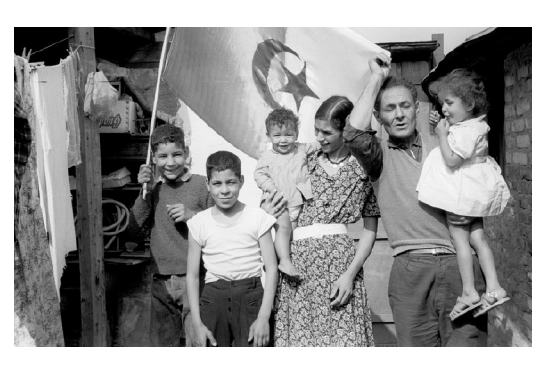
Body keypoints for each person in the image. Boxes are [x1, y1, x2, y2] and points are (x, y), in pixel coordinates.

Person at [343, 52, 488, 346]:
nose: (398, 114)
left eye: (405, 106)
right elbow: (353, 134)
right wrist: (376, 78)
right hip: (410, 269)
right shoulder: (378, 156)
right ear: (379, 117)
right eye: (390, 108)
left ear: (415, 109)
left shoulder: (446, 141)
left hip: (460, 267)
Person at [274, 96, 380, 347]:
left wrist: (350, 275)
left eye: (327, 132)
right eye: (316, 131)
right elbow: (282, 209)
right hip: (299, 265)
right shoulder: (304, 160)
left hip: (340, 265)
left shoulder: (362, 167)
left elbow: (369, 230)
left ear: (346, 131)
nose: (320, 137)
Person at [416, 69, 510, 320]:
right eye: (442, 103)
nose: (444, 108)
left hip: (462, 195)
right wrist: (443, 128)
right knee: (478, 238)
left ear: (468, 104)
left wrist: (441, 135)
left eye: (449, 103)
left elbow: (452, 160)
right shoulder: (473, 124)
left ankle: (469, 291)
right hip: (473, 193)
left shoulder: (468, 131)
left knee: (460, 239)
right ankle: (494, 288)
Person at [127, 124, 213, 347]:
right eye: (163, 156)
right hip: (161, 281)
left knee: (199, 343)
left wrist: (192, 216)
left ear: (186, 153)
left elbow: (220, 229)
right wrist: (144, 191)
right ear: (153, 158)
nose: (171, 162)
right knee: (163, 346)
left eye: (177, 154)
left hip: (196, 278)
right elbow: (134, 233)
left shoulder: (202, 185)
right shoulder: (153, 190)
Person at [186, 151, 279, 347]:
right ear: (207, 184)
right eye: (217, 184)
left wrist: (263, 316)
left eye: (231, 182)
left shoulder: (257, 217)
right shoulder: (198, 223)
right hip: (213, 300)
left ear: (242, 181)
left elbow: (271, 268)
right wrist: (196, 324)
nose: (225, 190)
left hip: (251, 298)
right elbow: (193, 276)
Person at [254, 108, 320, 278]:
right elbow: (259, 175)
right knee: (282, 228)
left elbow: (321, 144)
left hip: (297, 201)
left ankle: (280, 261)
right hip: (277, 202)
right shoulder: (267, 157)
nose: (283, 140)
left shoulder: (302, 149)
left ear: (296, 134)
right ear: (269, 136)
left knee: (292, 235)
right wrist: (272, 189)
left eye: (288, 135)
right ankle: (284, 261)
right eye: (277, 135)